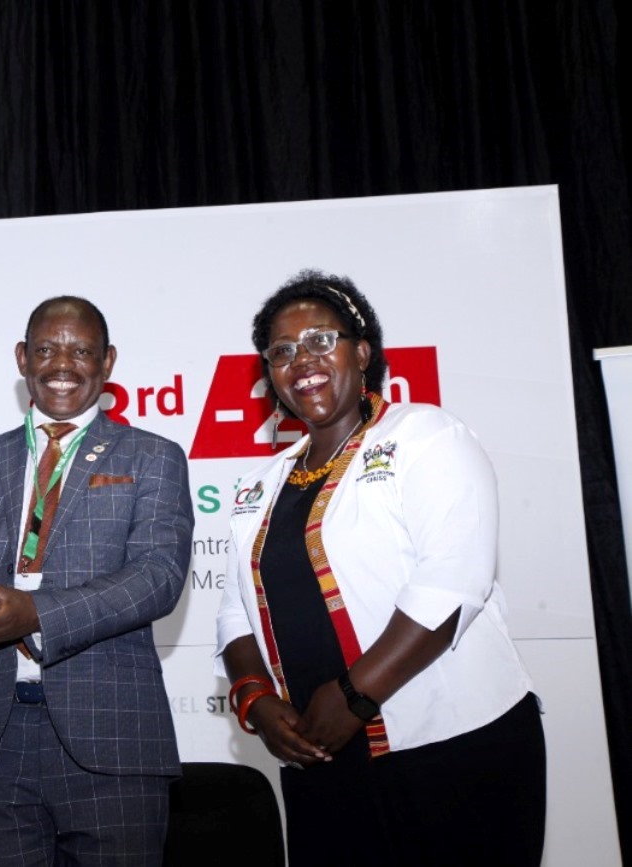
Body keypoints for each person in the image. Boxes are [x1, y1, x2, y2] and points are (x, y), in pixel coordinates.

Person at [216, 270, 546, 866]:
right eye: (282, 351)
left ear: (362, 351)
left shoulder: (426, 435)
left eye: (321, 340)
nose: (302, 361)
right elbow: (236, 609)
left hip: (451, 747)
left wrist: (352, 697)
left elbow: (452, 581)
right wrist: (257, 700)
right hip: (318, 755)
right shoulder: (258, 483)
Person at [0, 296, 194, 866]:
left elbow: (158, 576)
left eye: (81, 351)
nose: (63, 364)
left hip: (112, 737)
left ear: (107, 363)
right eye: (47, 349)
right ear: (21, 358)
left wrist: (39, 614)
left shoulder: (153, 456)